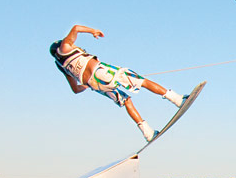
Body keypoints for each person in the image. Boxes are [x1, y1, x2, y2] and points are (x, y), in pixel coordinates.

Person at [50, 25, 186, 142]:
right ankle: (177, 99)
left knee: (126, 101)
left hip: (96, 86)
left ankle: (148, 133)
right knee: (142, 82)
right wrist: (93, 31)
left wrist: (86, 85)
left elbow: (75, 89)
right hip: (101, 72)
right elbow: (76, 28)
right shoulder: (64, 47)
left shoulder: (62, 67)